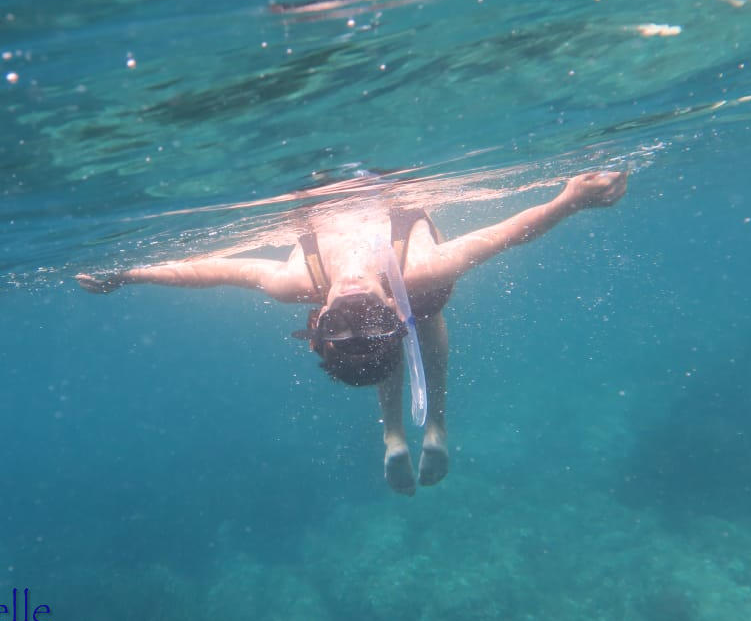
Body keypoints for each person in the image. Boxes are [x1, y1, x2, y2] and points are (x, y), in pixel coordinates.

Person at [77, 170, 627, 496]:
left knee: (380, 343)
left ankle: (398, 434)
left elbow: (210, 270)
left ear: (319, 316)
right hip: (413, 292)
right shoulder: (423, 271)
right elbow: (510, 233)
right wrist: (569, 201)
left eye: (342, 311)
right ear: (388, 309)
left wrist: (130, 273)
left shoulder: (295, 280)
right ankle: (430, 425)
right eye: (365, 306)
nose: (355, 287)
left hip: (401, 302)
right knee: (417, 323)